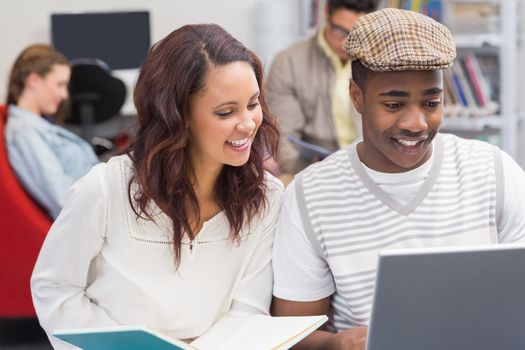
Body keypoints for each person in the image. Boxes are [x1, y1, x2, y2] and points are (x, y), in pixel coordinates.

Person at [271, 8, 525, 350]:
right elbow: (292, 335)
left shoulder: (495, 171)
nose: (416, 123)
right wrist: (339, 344)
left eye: (432, 102)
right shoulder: (310, 195)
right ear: (357, 97)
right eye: (394, 104)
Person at [31, 24, 283, 349]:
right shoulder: (106, 189)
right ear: (178, 114)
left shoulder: (267, 198)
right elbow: (55, 287)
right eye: (226, 111)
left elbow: (248, 313)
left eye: (253, 103)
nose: (248, 123)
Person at [265, 0, 379, 176]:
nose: (345, 44)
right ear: (326, 13)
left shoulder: (381, 63)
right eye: (339, 31)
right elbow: (282, 137)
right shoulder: (288, 62)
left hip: (373, 167)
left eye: (356, 34)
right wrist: (312, 175)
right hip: (310, 169)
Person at [5, 44, 99, 219]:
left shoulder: (36, 126)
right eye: (60, 84)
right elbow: (63, 200)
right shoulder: (24, 132)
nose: (64, 95)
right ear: (33, 81)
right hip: (91, 217)